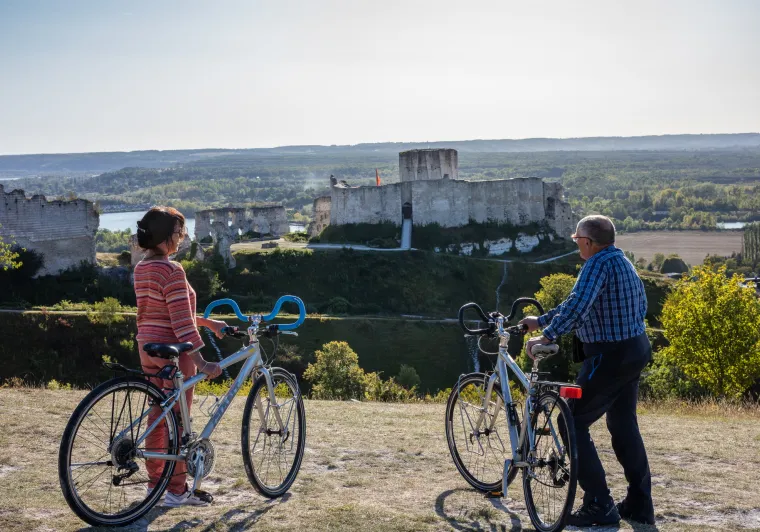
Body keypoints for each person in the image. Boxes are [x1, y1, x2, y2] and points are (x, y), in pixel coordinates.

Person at [519, 215, 655, 527]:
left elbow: (578, 307)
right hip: (635, 350)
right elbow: (577, 303)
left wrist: (548, 335)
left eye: (577, 238)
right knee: (623, 427)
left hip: (610, 356)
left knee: (570, 421)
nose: (576, 243)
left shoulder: (596, 264)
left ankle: (599, 504)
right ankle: (639, 503)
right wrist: (541, 321)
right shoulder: (621, 261)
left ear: (588, 242)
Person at [134, 206, 228, 508]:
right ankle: (175, 489)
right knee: (176, 420)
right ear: (165, 237)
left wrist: (209, 323)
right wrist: (202, 362)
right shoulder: (172, 270)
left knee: (158, 417)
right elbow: (180, 323)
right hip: (175, 351)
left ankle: (154, 484)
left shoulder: (142, 268)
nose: (182, 237)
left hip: (148, 346)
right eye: (179, 232)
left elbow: (167, 311)